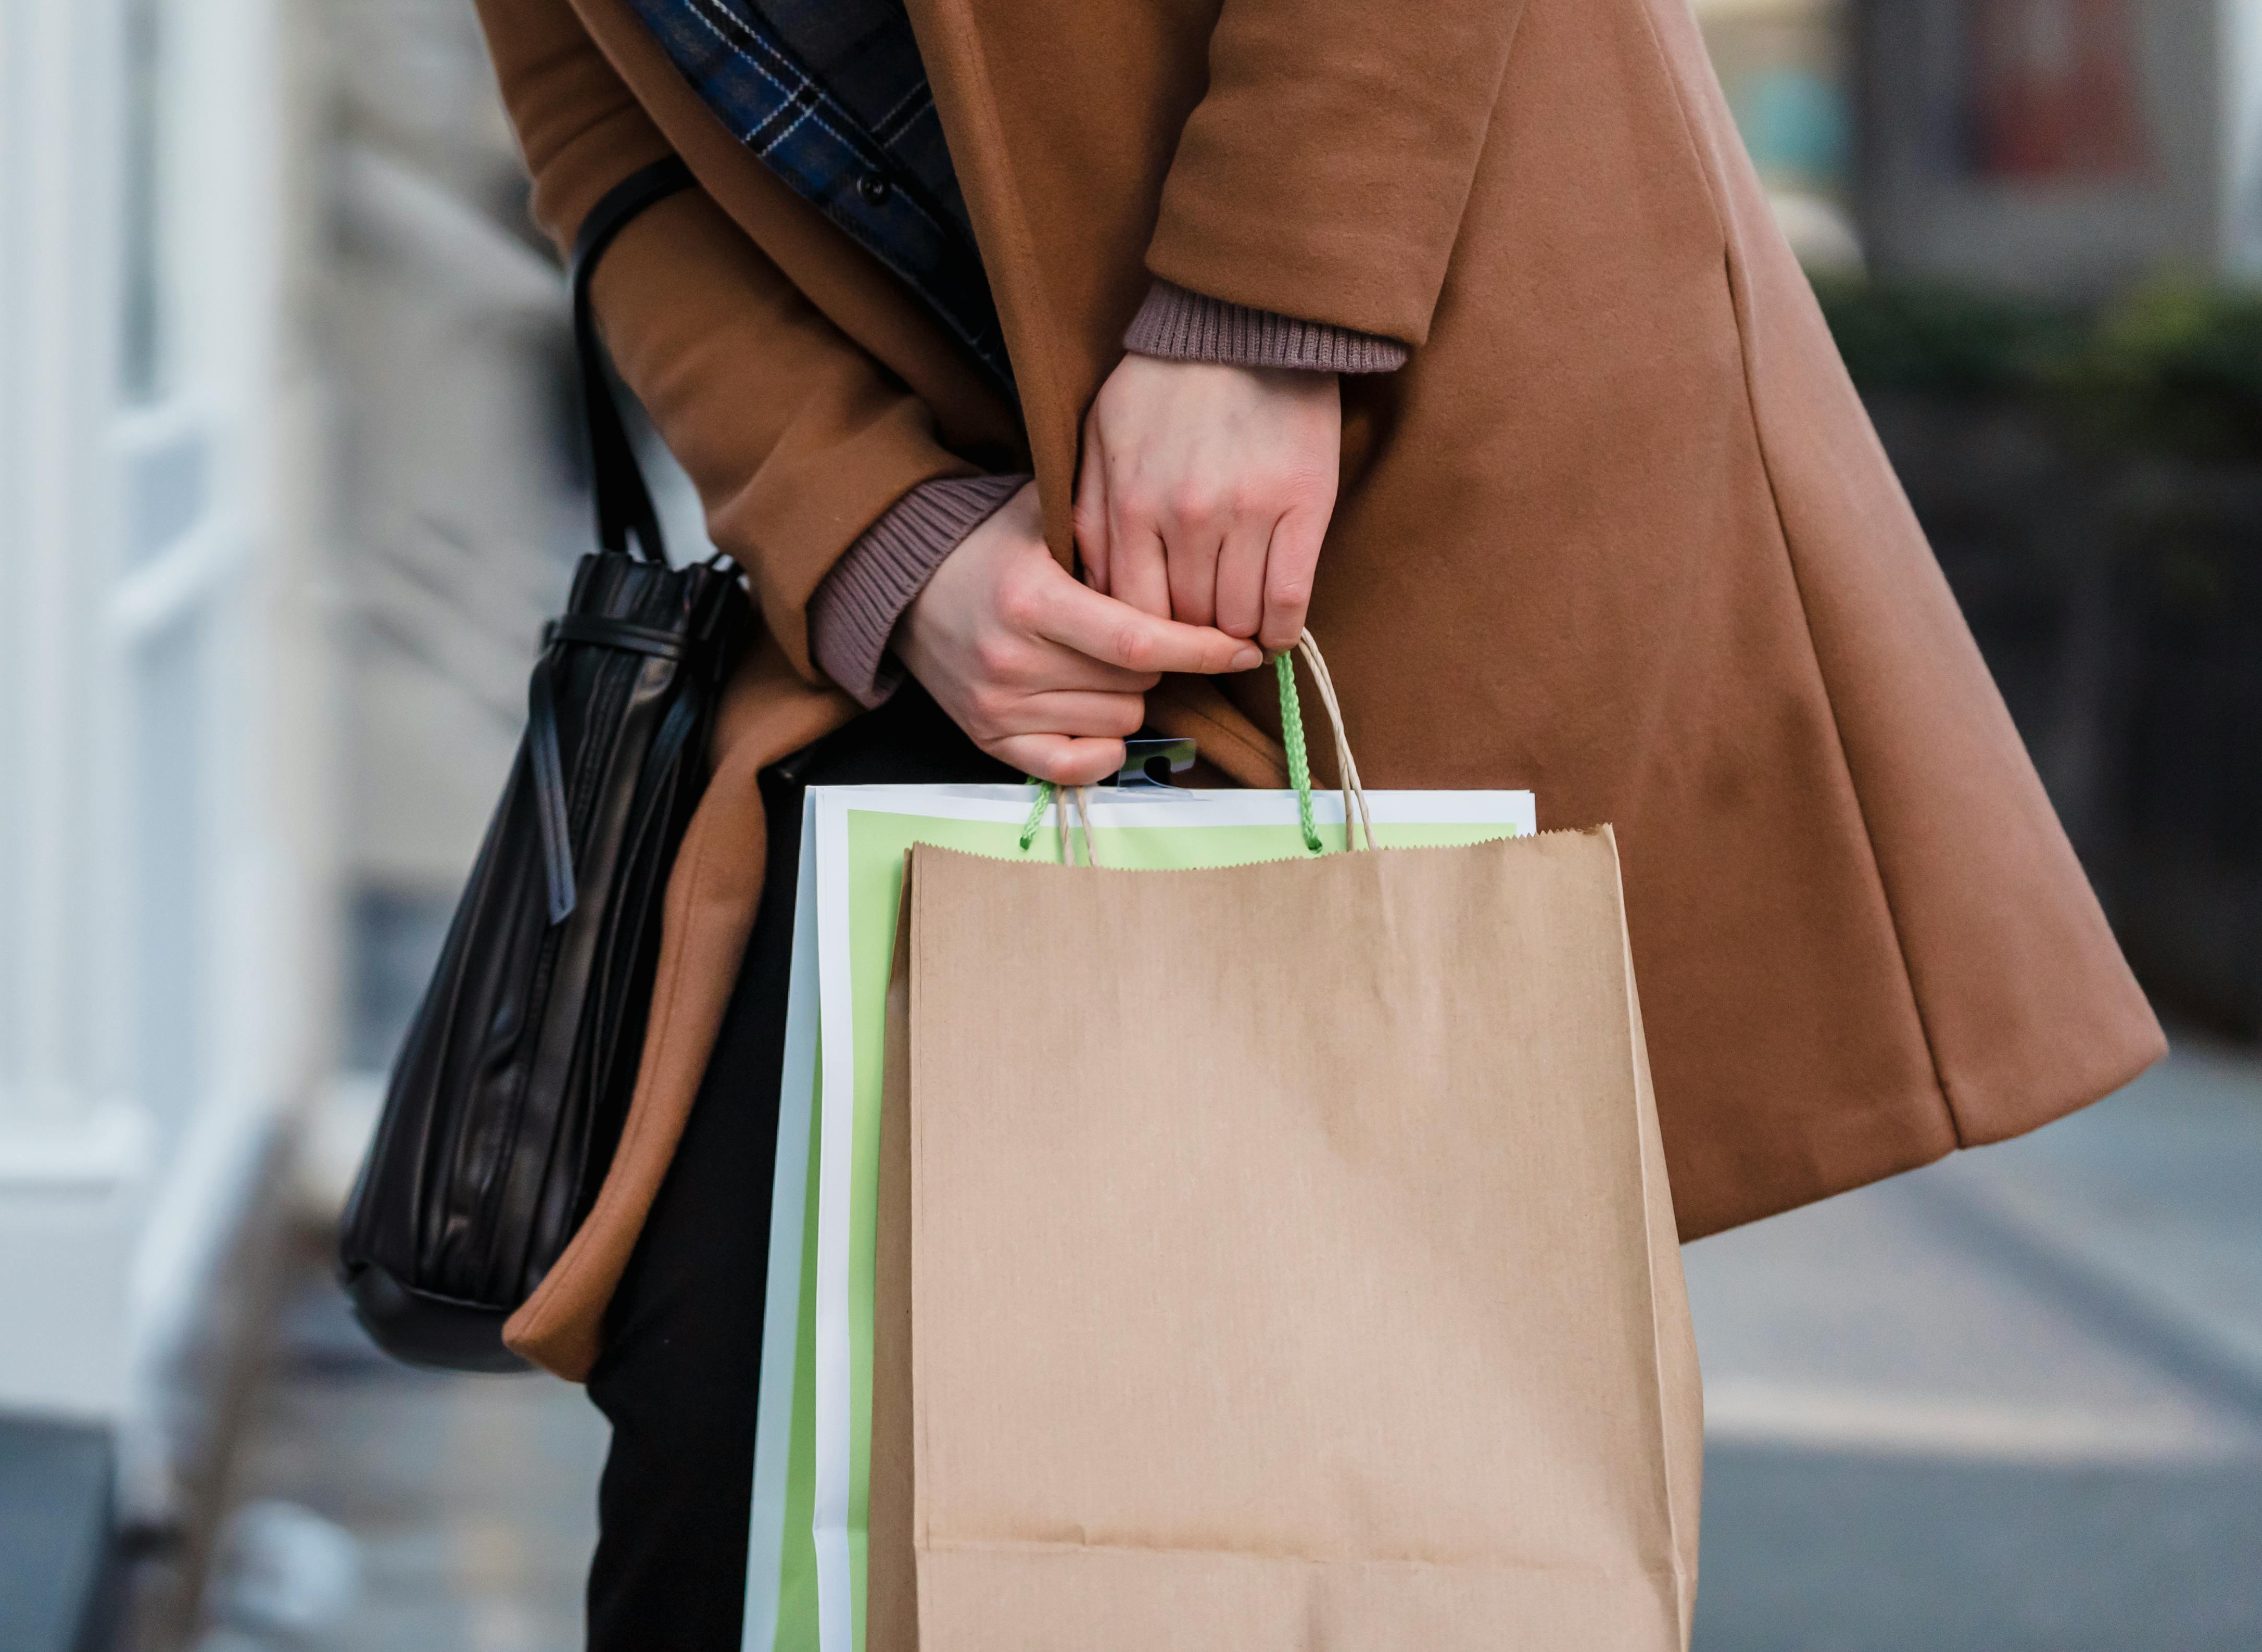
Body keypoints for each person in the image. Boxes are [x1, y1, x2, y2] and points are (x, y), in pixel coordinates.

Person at [463, 0, 2166, 1643]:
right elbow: (606, 150)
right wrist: (870, 531)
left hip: (1399, 393)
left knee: (1361, 1428)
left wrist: (1259, 307)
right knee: (742, 1430)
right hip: (949, 568)